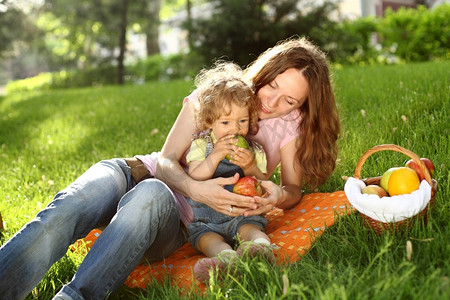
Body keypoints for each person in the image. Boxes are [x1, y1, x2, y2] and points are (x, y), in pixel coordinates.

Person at [0, 36, 339, 300]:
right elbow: (164, 161)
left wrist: (278, 194)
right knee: (76, 202)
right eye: (273, 86)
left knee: (150, 193)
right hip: (134, 171)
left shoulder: (287, 126)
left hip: (169, 217)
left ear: (302, 105)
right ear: (265, 71)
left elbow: (293, 191)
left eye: (290, 100)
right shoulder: (217, 94)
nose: (272, 102)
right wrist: (195, 187)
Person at [184, 63, 275, 282]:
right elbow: (195, 176)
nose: (234, 129)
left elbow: (263, 181)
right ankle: (226, 262)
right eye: (225, 122)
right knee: (207, 240)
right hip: (206, 220)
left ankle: (260, 250)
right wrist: (214, 155)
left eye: (242, 121)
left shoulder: (253, 150)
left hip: (242, 214)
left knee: (251, 229)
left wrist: (250, 166)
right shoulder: (201, 144)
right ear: (209, 122)